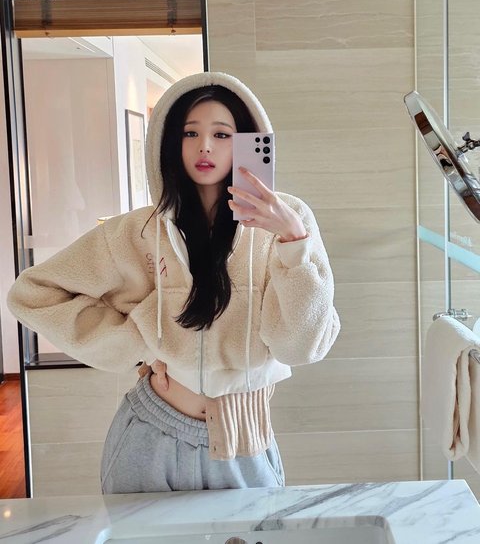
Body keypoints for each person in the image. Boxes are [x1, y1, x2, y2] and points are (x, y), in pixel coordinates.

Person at [7, 71, 340, 494]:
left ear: (247, 141)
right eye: (190, 133)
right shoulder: (137, 231)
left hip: (244, 440)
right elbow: (33, 294)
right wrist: (136, 340)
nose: (205, 146)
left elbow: (301, 347)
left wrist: (293, 241)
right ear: (169, 142)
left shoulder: (290, 221)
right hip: (150, 433)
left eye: (222, 134)